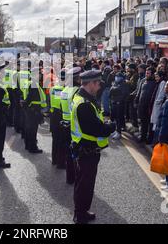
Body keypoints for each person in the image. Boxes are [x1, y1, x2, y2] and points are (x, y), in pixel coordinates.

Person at [71, 70, 116, 224]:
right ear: (90, 83)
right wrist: (111, 126)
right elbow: (95, 129)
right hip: (87, 150)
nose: (99, 87)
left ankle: (81, 211)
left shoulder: (82, 97)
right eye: (97, 83)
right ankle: (80, 214)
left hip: (84, 148)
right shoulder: (84, 105)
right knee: (85, 184)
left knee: (83, 183)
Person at [60, 67, 82, 184]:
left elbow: (60, 106)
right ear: (77, 78)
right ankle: (76, 177)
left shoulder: (65, 90)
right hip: (74, 126)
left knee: (68, 152)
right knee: (77, 153)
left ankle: (70, 177)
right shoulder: (77, 91)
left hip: (65, 123)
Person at [22, 67, 47, 154]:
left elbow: (25, 96)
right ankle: (32, 147)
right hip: (34, 109)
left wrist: (25, 105)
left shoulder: (28, 82)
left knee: (28, 128)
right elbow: (29, 97)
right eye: (39, 74)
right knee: (33, 129)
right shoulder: (33, 84)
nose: (40, 75)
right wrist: (29, 106)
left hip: (30, 109)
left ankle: (28, 145)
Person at [136, 67, 157, 144]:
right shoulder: (143, 81)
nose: (146, 75)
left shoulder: (155, 83)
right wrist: (136, 100)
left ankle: (149, 138)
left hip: (149, 106)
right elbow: (139, 91)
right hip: (142, 104)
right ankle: (142, 136)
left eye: (148, 73)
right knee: (143, 122)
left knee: (149, 123)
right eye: (146, 73)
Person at [49, 72, 65, 167]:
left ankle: (54, 159)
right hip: (60, 115)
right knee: (61, 140)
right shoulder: (63, 89)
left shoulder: (53, 88)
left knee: (55, 139)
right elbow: (61, 104)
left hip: (53, 115)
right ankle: (60, 162)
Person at [109, 72, 130, 139]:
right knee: (116, 117)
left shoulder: (124, 84)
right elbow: (111, 91)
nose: (117, 78)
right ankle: (117, 130)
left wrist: (119, 100)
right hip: (114, 102)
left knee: (119, 118)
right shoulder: (115, 83)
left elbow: (124, 94)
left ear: (122, 78)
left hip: (120, 103)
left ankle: (118, 132)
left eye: (118, 76)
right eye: (116, 76)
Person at [149, 71, 167, 144]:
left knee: (156, 124)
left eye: (157, 77)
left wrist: (157, 102)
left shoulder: (162, 83)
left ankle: (155, 141)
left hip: (158, 106)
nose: (156, 78)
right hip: (155, 105)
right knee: (154, 124)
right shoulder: (158, 83)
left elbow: (161, 95)